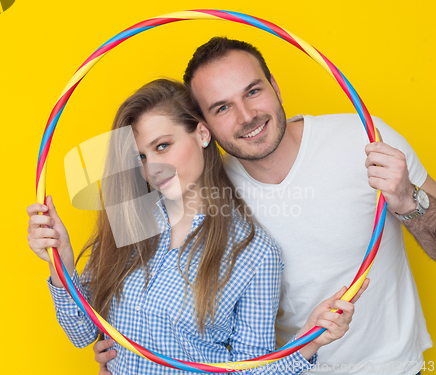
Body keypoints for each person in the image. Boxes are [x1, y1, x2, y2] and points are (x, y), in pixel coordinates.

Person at [27, 79, 367, 375]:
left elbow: (249, 370)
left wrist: (308, 341)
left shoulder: (254, 254)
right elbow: (81, 334)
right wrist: (63, 264)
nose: (153, 168)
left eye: (163, 146)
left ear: (202, 134)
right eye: (141, 158)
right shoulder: (132, 220)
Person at [179, 38, 434, 375]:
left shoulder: (366, 137)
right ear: (204, 128)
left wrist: (407, 201)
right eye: (222, 108)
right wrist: (123, 346)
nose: (247, 116)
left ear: (275, 88)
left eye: (253, 91)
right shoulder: (209, 191)